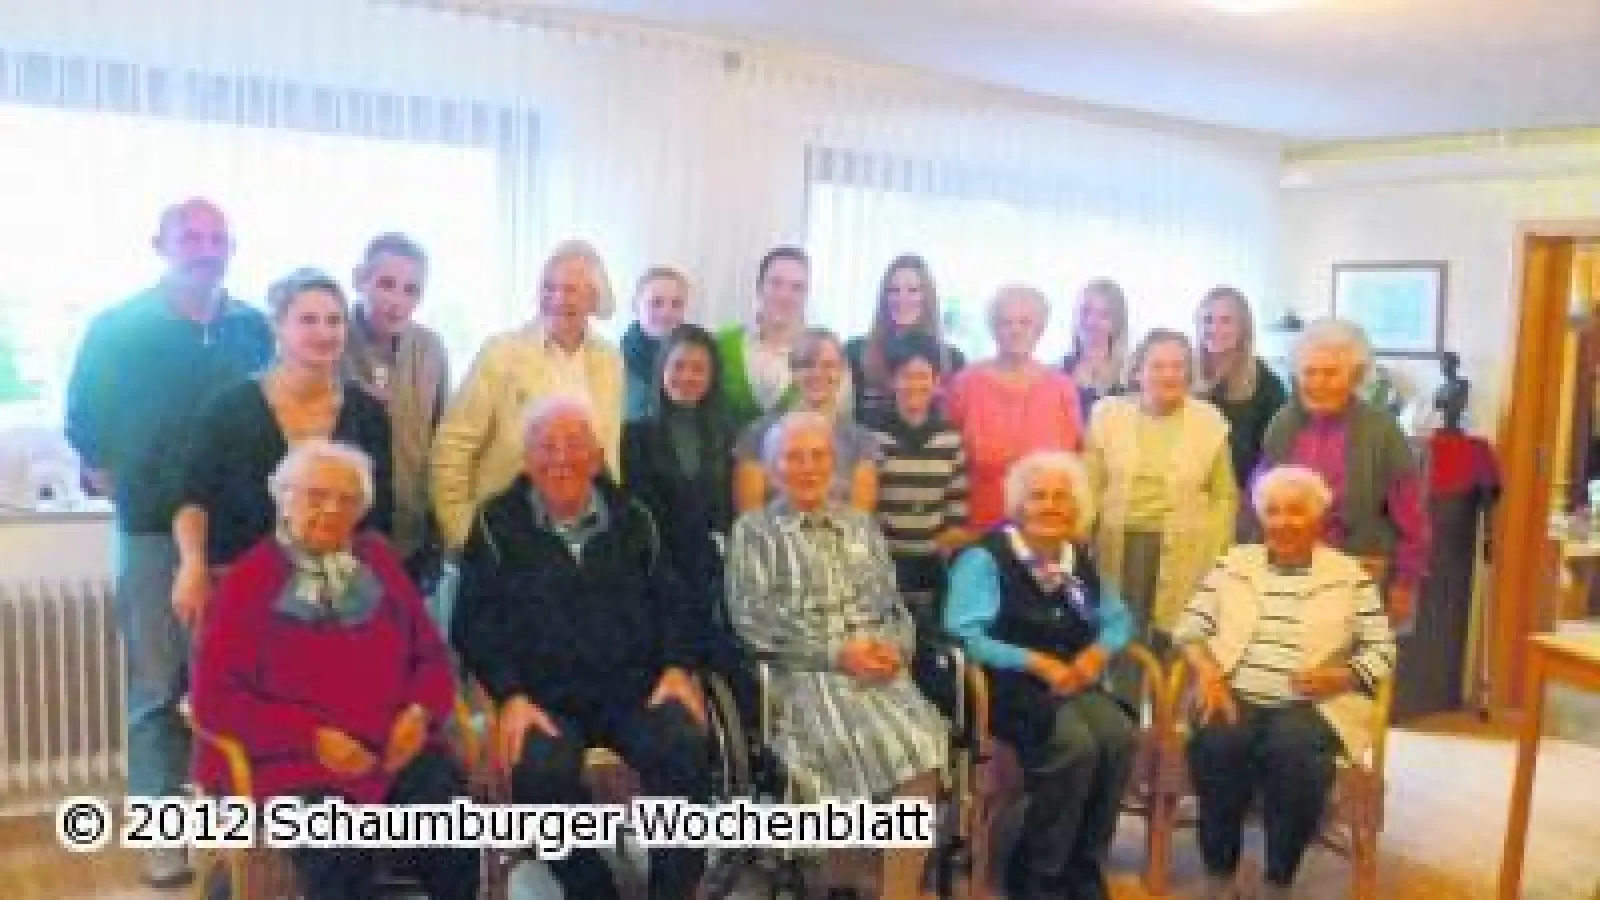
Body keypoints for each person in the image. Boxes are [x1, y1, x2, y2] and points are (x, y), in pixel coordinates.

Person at [63, 198, 272, 888]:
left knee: (237, 692)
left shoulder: (254, 329)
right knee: (158, 693)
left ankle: (235, 840)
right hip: (153, 537)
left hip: (242, 541)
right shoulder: (117, 330)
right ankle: (165, 841)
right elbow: (88, 441)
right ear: (160, 244)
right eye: (191, 236)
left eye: (218, 237)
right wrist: (149, 491)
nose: (205, 248)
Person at [190, 441, 477, 900]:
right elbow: (214, 701)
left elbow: (432, 657)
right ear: (283, 498)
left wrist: (421, 713)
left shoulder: (380, 561)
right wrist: (309, 736)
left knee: (454, 822)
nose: (330, 510)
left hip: (390, 750)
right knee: (339, 845)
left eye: (347, 500)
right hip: (291, 764)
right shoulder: (249, 579)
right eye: (314, 495)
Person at [452, 397, 710, 900]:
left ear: (596, 457)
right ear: (526, 459)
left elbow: (676, 602)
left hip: (633, 688)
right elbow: (475, 625)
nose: (561, 458)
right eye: (546, 446)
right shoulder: (495, 524)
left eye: (575, 445)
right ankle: (590, 887)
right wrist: (511, 696)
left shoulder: (635, 517)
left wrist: (678, 667)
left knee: (682, 743)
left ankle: (672, 889)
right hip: (542, 697)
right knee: (538, 771)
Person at [726, 411, 947, 900]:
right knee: (846, 742)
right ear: (773, 469)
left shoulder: (861, 526)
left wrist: (895, 647)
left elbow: (894, 604)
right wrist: (836, 653)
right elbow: (752, 619)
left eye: (819, 456)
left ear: (836, 464)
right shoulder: (754, 532)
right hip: (805, 671)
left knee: (923, 741)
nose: (808, 468)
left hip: (877, 665)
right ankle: (844, 874)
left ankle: (898, 889)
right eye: (794, 457)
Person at [1173, 465, 1396, 900]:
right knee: (1217, 744)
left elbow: (1382, 650)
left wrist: (1344, 675)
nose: (1282, 522)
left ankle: (1279, 881)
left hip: (1314, 703)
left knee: (1294, 752)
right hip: (1235, 690)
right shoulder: (1232, 563)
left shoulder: (1350, 576)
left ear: (1318, 517)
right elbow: (1189, 628)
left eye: (1295, 511)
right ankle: (1219, 877)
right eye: (1272, 511)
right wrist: (1208, 672)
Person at [945, 451, 1136, 900]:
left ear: (1076, 508)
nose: (1050, 506)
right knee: (1074, 746)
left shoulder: (1076, 558)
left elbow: (1119, 620)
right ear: (1019, 506)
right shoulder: (987, 558)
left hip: (1071, 680)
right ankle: (1039, 873)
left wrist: (1095, 655)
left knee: (1119, 735)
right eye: (1038, 497)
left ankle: (1084, 868)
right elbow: (963, 633)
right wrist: (1035, 661)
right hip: (1004, 687)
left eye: (1061, 497)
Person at [172, 269, 393, 629]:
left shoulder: (367, 415)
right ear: (278, 327)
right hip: (238, 584)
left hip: (336, 597)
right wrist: (192, 566)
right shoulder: (228, 408)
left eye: (334, 321)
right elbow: (192, 497)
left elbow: (379, 515)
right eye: (308, 320)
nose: (323, 332)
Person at [431, 239, 624, 552]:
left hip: (587, 530)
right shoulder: (502, 353)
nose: (557, 298)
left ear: (593, 299)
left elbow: (607, 450)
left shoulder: (609, 360)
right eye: (548, 288)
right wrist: (462, 534)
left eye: (570, 290)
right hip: (507, 529)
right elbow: (453, 446)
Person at [1085, 330, 1237, 703]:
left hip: (1187, 548)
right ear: (1138, 371)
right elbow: (1090, 482)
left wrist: (1216, 556)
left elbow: (1224, 496)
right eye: (1157, 365)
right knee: (1121, 639)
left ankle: (1170, 734)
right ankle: (1126, 725)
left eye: (1178, 366)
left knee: (1179, 639)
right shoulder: (1108, 415)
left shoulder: (1209, 421)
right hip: (1119, 545)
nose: (1168, 375)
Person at [1256, 318, 1430, 624]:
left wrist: (1405, 583)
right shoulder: (1282, 425)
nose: (1318, 382)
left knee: (1348, 666)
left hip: (1360, 571)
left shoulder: (1382, 430)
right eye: (1309, 372)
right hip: (1288, 569)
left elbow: (1411, 517)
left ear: (1356, 376)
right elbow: (1256, 501)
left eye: (1331, 373)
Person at [344, 233, 450, 585]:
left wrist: (439, 530)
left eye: (411, 290)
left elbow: (442, 436)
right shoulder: (331, 337)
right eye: (386, 284)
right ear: (360, 279)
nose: (397, 301)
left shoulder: (430, 347)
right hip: (343, 534)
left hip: (411, 534)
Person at [946, 285, 1084, 530]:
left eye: (1025, 322)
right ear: (993, 329)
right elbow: (946, 461)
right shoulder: (965, 384)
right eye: (1005, 322)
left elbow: (1074, 468)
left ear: (1040, 329)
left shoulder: (1062, 388)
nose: (1015, 330)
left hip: (1046, 530)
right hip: (979, 530)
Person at [623, 323, 737, 606]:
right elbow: (637, 513)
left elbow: (728, 508)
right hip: (653, 573)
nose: (687, 376)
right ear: (661, 370)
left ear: (712, 377)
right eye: (678, 366)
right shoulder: (633, 436)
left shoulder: (728, 434)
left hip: (714, 573)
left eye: (699, 369)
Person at [864, 331, 972, 628]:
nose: (915, 385)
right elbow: (865, 501)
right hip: (884, 559)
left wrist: (949, 540)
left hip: (932, 561)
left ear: (937, 383)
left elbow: (957, 501)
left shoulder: (949, 437)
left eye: (923, 376)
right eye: (906, 376)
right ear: (893, 380)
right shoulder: (873, 434)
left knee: (927, 636)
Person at [733, 328, 879, 513]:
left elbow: (860, 521)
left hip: (841, 541)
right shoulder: (757, 434)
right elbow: (749, 520)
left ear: (842, 371)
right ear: (792, 371)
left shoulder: (861, 441)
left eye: (828, 365)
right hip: (770, 541)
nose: (817, 373)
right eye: (807, 365)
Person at [716, 246, 852, 428]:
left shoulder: (829, 353)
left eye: (797, 287)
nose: (785, 295)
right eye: (776, 283)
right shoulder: (721, 344)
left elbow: (841, 428)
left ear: (806, 295)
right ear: (759, 287)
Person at [845, 254, 966, 419]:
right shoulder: (854, 353)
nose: (902, 299)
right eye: (894, 290)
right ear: (884, 298)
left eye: (913, 290)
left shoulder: (953, 360)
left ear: (927, 298)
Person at [1194, 287, 1287, 490]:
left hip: (1243, 495)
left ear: (1243, 328)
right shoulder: (1182, 372)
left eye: (1226, 320)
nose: (1215, 328)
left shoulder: (1266, 383)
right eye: (1208, 319)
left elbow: (1274, 456)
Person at [622, 266, 692, 422]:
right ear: (635, 306)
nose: (666, 312)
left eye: (676, 304)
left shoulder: (695, 364)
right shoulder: (611, 361)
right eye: (656, 303)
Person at [1060, 278, 1129, 414]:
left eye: (1103, 315)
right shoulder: (1057, 371)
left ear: (1117, 322)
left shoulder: (1131, 375)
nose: (1092, 321)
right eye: (1085, 312)